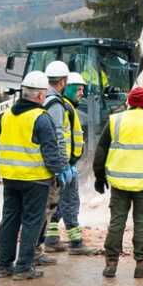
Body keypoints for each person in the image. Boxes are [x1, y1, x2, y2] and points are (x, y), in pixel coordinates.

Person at [93, 85, 143, 277]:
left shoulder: (115, 121)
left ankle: (111, 264)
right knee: (142, 223)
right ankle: (142, 265)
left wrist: (99, 176)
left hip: (119, 183)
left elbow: (101, 149)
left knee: (116, 223)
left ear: (129, 101)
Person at [0, 71, 68, 279]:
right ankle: (24, 267)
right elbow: (51, 152)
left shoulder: (7, 115)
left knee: (9, 220)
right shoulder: (41, 118)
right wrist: (59, 172)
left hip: (10, 178)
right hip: (35, 180)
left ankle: (3, 266)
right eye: (44, 94)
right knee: (31, 222)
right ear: (38, 96)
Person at [41, 60, 87, 256]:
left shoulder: (64, 106)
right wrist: (64, 165)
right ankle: (76, 242)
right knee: (70, 202)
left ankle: (51, 239)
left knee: (58, 203)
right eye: (78, 89)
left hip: (66, 163)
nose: (82, 93)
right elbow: (59, 135)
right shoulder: (61, 106)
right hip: (64, 164)